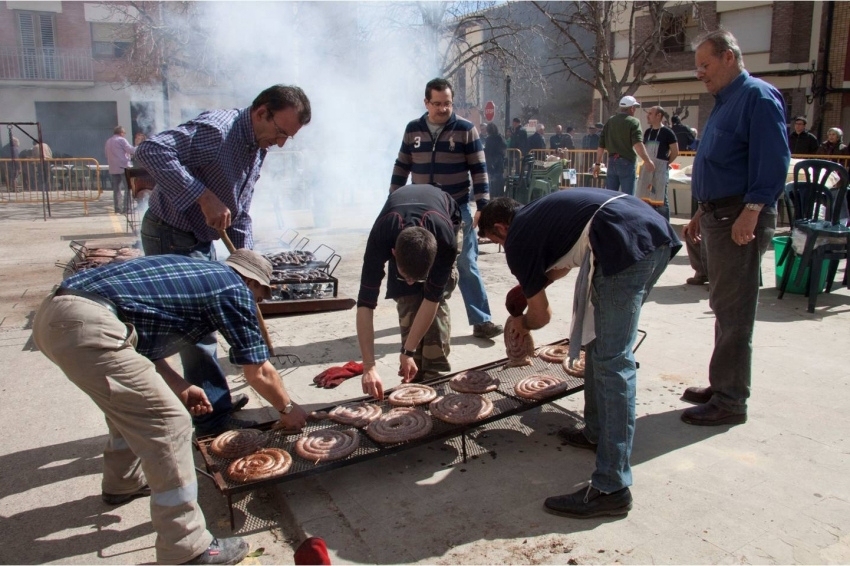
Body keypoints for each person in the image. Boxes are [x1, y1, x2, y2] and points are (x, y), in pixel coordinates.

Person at [32, 249, 308, 565]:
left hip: (55, 316)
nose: (257, 303)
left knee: (129, 402)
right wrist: (287, 408)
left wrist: (181, 385)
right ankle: (188, 548)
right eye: (260, 294)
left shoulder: (195, 273)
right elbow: (258, 370)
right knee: (171, 422)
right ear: (250, 281)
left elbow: (140, 347)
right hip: (88, 322)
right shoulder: (233, 287)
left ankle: (123, 483)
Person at [478, 192, 680, 519]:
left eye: (496, 242)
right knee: (598, 345)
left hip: (622, 245)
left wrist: (522, 324)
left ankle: (611, 487)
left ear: (501, 228)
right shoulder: (539, 214)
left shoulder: (518, 238)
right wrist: (530, 286)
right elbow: (560, 266)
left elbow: (541, 316)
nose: (503, 248)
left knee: (613, 362)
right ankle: (596, 432)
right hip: (651, 234)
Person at [134, 84, 312, 436]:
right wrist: (201, 196)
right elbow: (150, 151)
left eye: (288, 137)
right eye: (280, 132)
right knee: (196, 330)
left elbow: (240, 211)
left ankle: (215, 402)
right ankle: (212, 420)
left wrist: (244, 267)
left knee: (205, 323)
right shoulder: (218, 132)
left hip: (199, 238)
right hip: (171, 231)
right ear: (262, 112)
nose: (280, 143)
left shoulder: (255, 147)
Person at [680, 29, 790, 425]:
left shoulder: (756, 97)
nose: (700, 74)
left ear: (729, 58)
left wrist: (753, 210)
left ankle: (730, 401)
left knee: (735, 310)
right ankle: (722, 382)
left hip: (738, 217)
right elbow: (721, 164)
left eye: (705, 65)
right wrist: (700, 211)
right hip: (718, 213)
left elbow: (774, 159)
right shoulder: (724, 102)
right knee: (723, 306)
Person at [389, 77, 502, 340]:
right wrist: (393, 199)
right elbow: (402, 165)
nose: (443, 109)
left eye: (447, 104)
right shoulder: (413, 129)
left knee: (466, 262)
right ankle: (422, 315)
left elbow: (479, 168)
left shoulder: (465, 129)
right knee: (420, 260)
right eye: (437, 104)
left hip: (456, 208)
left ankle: (481, 320)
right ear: (426, 102)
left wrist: (482, 205)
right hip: (420, 210)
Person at [357, 184, 461, 398]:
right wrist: (368, 366)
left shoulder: (445, 243)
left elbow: (431, 300)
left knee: (436, 302)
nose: (412, 282)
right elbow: (365, 306)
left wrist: (408, 351)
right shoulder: (380, 239)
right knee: (407, 298)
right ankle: (414, 368)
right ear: (393, 253)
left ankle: (434, 371)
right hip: (398, 224)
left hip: (444, 214)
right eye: (407, 276)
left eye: (418, 277)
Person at [593, 96, 655, 196]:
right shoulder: (633, 122)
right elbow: (638, 144)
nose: (634, 110)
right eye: (634, 107)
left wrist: (597, 164)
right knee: (628, 197)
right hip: (627, 162)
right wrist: (647, 161)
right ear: (631, 108)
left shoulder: (610, 121)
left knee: (610, 197)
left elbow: (601, 145)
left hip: (612, 162)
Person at [636, 105, 679, 219]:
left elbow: (675, 151)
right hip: (647, 168)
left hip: (660, 169)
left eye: (650, 113)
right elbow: (643, 148)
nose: (647, 116)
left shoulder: (668, 132)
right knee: (645, 198)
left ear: (659, 115)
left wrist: (665, 163)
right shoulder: (647, 132)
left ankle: (665, 226)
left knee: (661, 200)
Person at [104, 126, 136, 214]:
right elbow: (130, 150)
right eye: (124, 133)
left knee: (116, 190)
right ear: (121, 133)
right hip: (123, 167)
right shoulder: (122, 140)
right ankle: (127, 208)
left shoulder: (108, 141)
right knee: (128, 188)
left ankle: (117, 208)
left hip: (113, 168)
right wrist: (139, 148)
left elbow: (106, 154)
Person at [483, 122, 507, 198]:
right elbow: (504, 148)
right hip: (499, 162)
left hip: (491, 162)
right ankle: (500, 196)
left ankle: (493, 197)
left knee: (492, 182)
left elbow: (488, 151)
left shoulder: (489, 139)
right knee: (499, 180)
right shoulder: (500, 137)